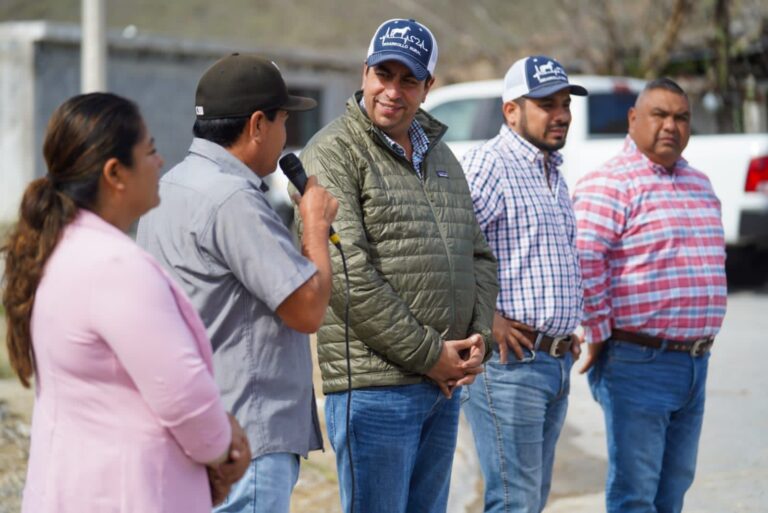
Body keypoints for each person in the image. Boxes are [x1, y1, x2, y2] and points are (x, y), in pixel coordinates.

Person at [1, 92, 250, 513]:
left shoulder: (59, 249)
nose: (161, 162)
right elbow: (183, 395)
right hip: (128, 495)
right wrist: (225, 445)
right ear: (116, 173)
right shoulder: (116, 267)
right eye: (150, 150)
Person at [295, 18, 499, 513]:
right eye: (383, 74)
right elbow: (347, 275)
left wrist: (476, 341)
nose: (392, 90)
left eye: (408, 79)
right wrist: (432, 355)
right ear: (364, 74)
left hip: (442, 385)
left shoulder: (442, 155)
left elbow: (478, 254)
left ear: (428, 88)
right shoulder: (334, 150)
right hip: (375, 390)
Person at [136, 53, 338, 513]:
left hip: (196, 428)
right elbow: (307, 309)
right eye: (284, 120)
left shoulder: (171, 187)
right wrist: (314, 228)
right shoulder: (233, 201)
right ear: (257, 126)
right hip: (246, 441)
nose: (287, 135)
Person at [573, 78, 727, 513]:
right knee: (636, 495)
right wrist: (599, 332)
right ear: (633, 119)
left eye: (681, 117)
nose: (670, 126)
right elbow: (585, 260)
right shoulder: (610, 182)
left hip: (695, 361)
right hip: (637, 362)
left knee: (673, 488)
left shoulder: (699, 183)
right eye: (659, 115)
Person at [460, 55, 587, 513]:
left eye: (565, 104)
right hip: (510, 365)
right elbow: (451, 248)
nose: (561, 115)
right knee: (514, 502)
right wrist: (486, 317)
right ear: (510, 111)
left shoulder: (552, 172)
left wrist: (566, 326)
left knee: (530, 500)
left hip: (552, 362)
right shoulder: (490, 164)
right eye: (546, 104)